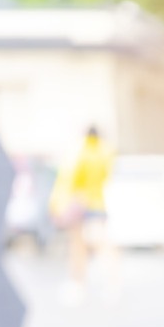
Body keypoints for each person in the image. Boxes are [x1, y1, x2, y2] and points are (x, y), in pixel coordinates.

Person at [50, 126, 116, 303]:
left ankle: (79, 284)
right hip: (97, 201)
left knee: (78, 245)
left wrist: (58, 203)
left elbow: (69, 178)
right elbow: (107, 175)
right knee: (101, 243)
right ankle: (111, 282)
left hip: (78, 202)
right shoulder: (105, 152)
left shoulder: (81, 151)